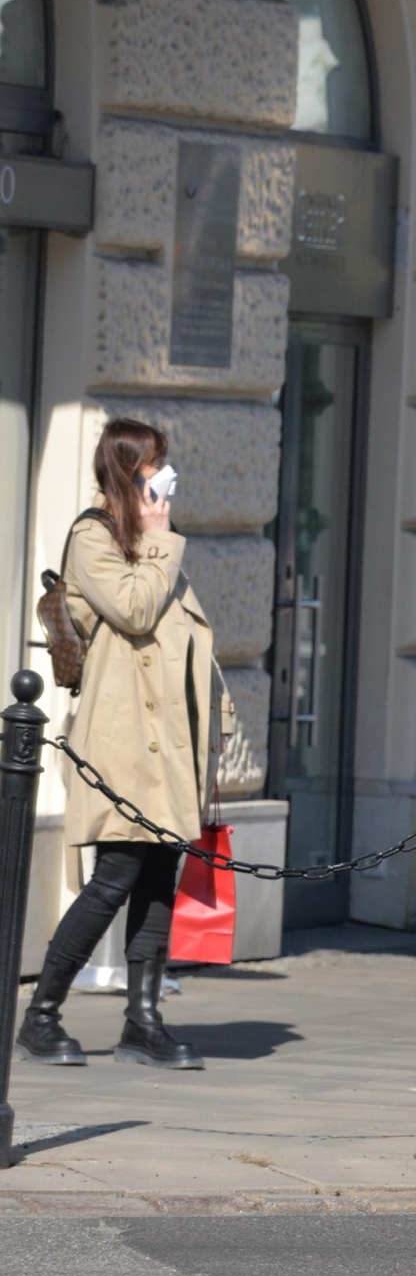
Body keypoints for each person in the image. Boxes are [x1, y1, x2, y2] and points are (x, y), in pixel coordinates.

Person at [13, 418, 233, 1070]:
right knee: (114, 875)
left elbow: (186, 639)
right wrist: (159, 536)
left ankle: (143, 1021)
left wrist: (215, 715)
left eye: (165, 467)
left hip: (167, 743)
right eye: (153, 469)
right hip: (123, 742)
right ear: (125, 473)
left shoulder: (150, 543)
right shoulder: (95, 536)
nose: (165, 480)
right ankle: (40, 1015)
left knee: (158, 874)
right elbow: (134, 611)